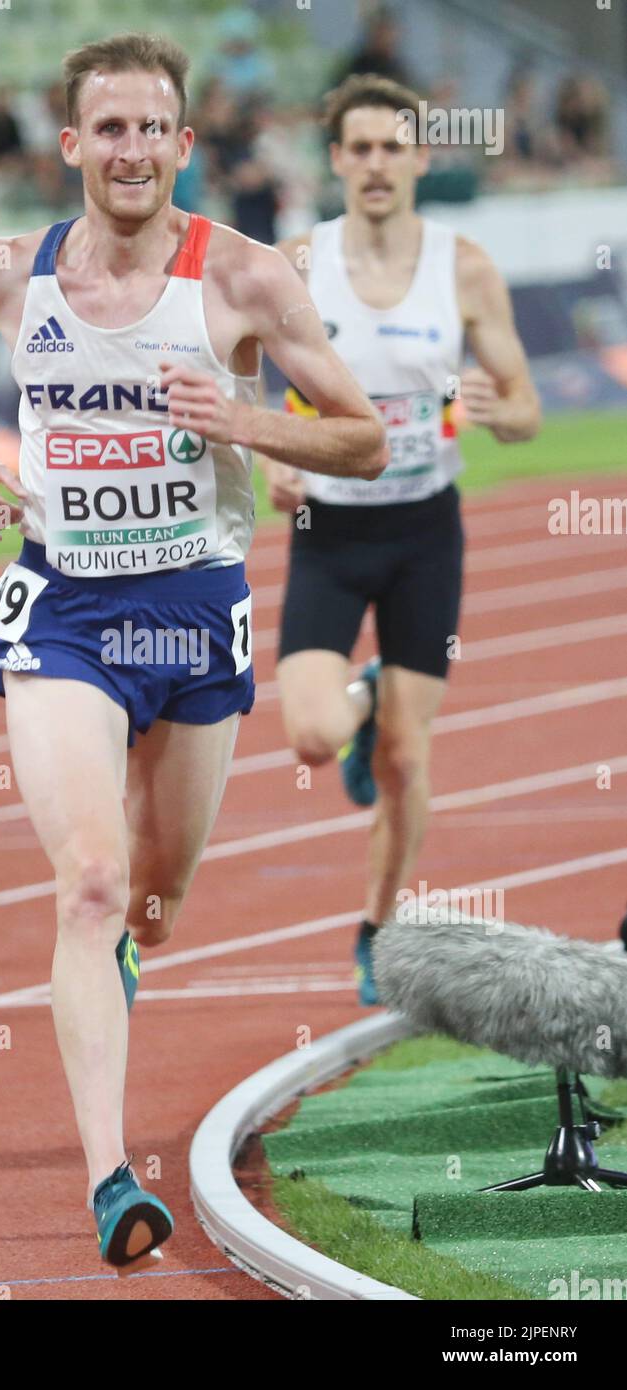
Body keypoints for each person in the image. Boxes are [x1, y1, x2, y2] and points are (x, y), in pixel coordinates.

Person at [0, 33, 386, 1271]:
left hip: (193, 610)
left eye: (150, 129)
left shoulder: (245, 279)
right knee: (91, 884)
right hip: (62, 612)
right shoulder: (11, 274)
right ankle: (111, 1175)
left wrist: (245, 419)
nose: (129, 151)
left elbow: (367, 439)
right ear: (72, 144)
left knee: (157, 908)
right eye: (105, 129)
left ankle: (128, 940)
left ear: (182, 142)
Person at [261, 74, 541, 1007]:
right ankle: (365, 691)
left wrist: (505, 413)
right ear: (335, 159)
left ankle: (377, 931)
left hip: (426, 530)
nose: (376, 165)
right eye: (359, 149)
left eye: (393, 148)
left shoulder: (462, 266)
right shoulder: (296, 263)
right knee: (308, 734)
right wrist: (273, 451)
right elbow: (231, 367)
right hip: (328, 531)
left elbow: (525, 407)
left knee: (405, 761)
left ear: (420, 157)